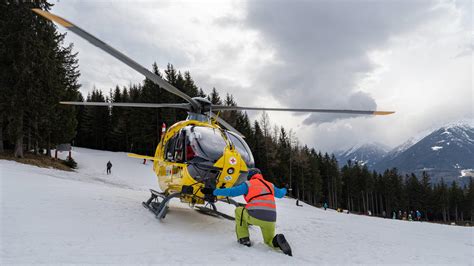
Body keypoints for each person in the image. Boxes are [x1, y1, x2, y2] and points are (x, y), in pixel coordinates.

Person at [201, 168, 292, 256]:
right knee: (268, 241)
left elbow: (232, 192)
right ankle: (276, 241)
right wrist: (285, 188)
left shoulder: (248, 184)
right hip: (271, 219)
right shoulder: (270, 185)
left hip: (255, 215)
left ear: (250, 176)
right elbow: (280, 194)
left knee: (239, 211)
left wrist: (213, 191)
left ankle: (244, 239)